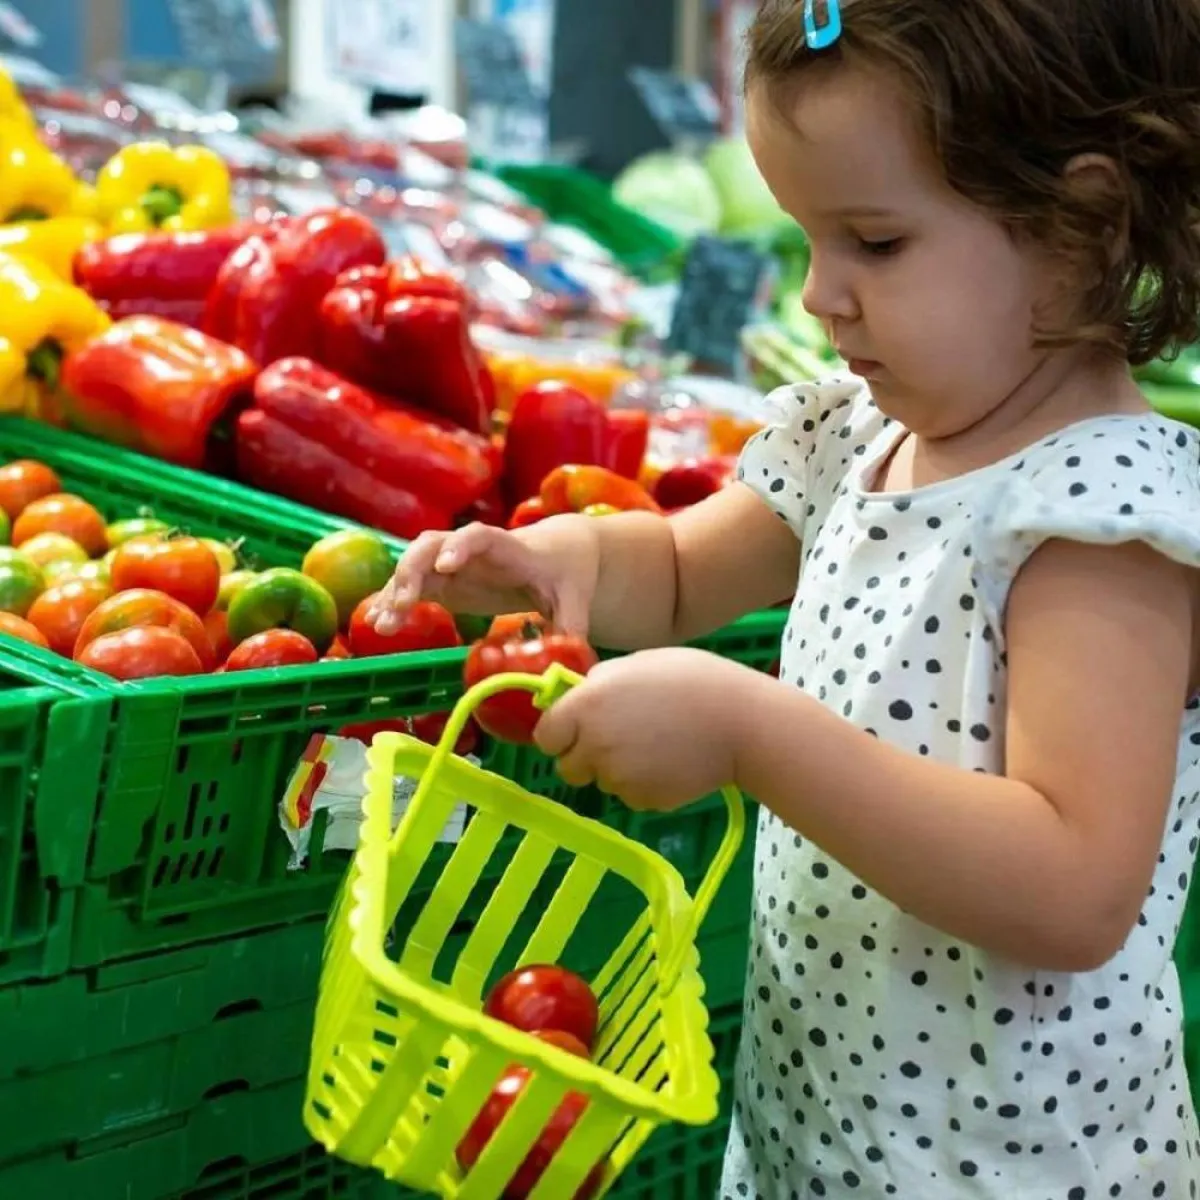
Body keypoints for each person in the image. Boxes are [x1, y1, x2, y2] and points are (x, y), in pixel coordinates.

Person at [369, 0, 1200, 1194]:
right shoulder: (855, 435)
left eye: (876, 242)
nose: (819, 295)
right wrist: (575, 562)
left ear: (1079, 227)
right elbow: (682, 571)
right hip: (814, 1129)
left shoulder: (1099, 518)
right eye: (809, 238)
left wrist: (749, 734)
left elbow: (1071, 887)